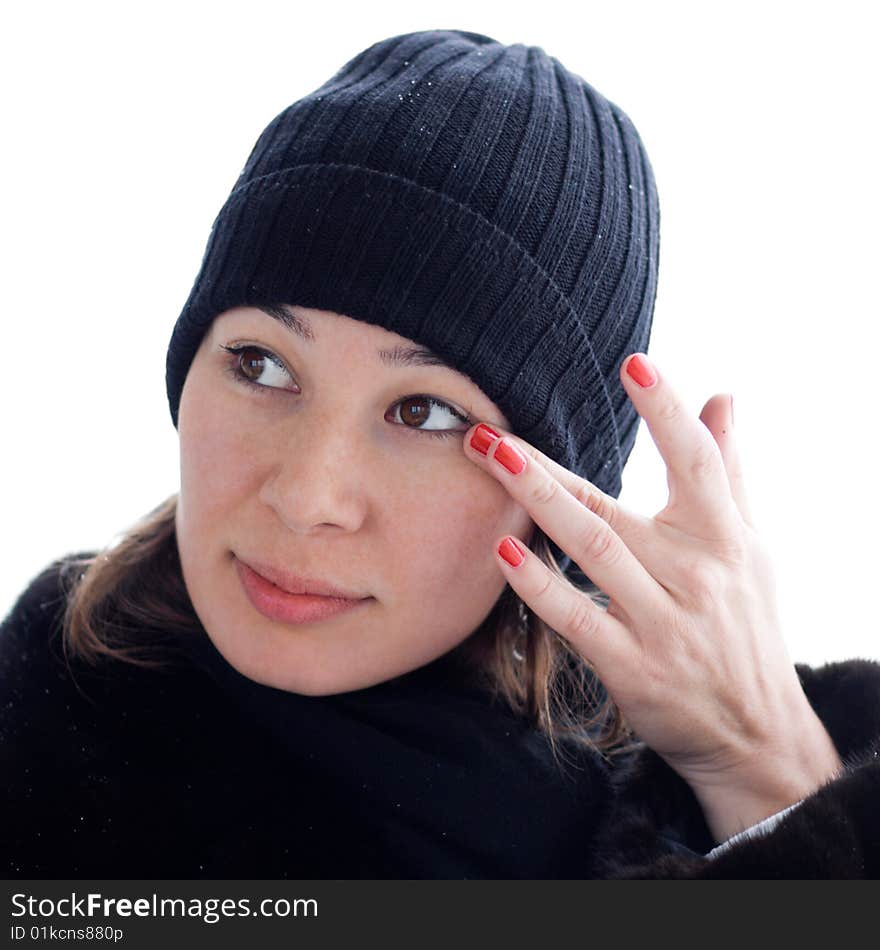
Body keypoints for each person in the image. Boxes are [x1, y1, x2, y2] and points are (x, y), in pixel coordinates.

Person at [2, 28, 879, 880]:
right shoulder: (46, 701)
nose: (308, 497)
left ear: (556, 495)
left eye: (423, 411)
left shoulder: (650, 822)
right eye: (261, 364)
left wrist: (767, 778)